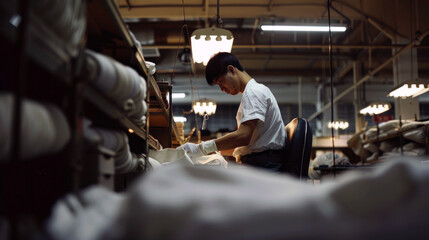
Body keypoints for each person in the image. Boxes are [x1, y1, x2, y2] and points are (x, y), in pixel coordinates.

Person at [177, 52, 286, 171]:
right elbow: (247, 145)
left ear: (231, 70)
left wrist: (203, 148)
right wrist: (211, 149)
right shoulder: (253, 92)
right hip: (260, 162)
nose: (222, 89)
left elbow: (244, 136)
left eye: (220, 82)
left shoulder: (254, 92)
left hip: (263, 166)